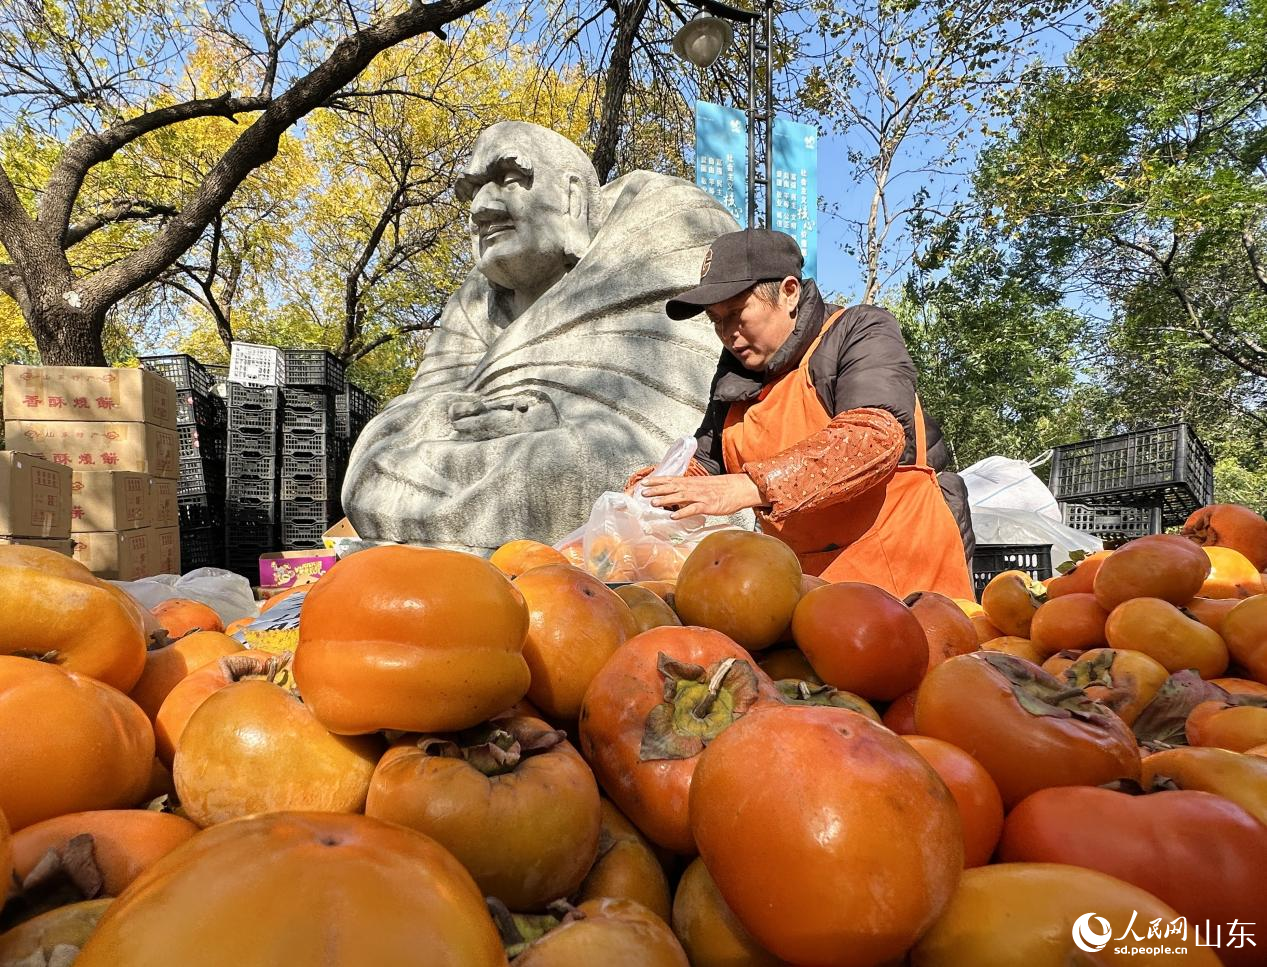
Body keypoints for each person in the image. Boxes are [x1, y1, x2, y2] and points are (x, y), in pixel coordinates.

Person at [341, 121, 739, 553]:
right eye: (473, 192)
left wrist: (550, 415)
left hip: (594, 465)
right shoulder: (476, 302)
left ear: (570, 197)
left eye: (510, 180)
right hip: (477, 469)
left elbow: (679, 437)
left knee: (588, 474)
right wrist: (460, 415)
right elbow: (398, 426)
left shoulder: (665, 225)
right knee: (372, 472)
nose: (481, 209)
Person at [634, 228, 975, 600]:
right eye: (716, 320)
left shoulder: (859, 330)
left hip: (903, 578)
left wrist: (753, 486)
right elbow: (706, 462)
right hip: (804, 591)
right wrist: (656, 489)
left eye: (736, 314)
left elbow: (874, 436)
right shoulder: (736, 373)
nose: (728, 334)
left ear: (789, 292)